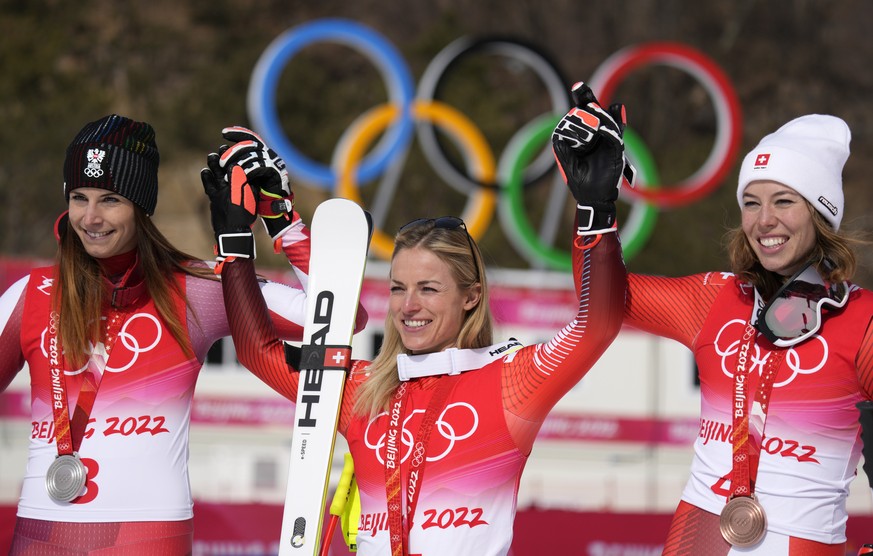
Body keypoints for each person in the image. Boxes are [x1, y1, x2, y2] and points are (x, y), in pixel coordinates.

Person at [214, 82, 632, 556]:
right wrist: (238, 240)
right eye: (398, 288)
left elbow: (595, 325)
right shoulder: (363, 387)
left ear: (471, 297)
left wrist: (596, 209)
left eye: (429, 289)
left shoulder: (512, 380)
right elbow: (257, 351)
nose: (407, 306)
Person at [0, 115, 329, 554]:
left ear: (141, 206)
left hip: (150, 536)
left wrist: (282, 220)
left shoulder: (198, 288)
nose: (91, 217)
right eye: (79, 198)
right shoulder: (34, 294)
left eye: (111, 199)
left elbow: (339, 316)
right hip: (42, 532)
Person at [623, 114, 873, 554]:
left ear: (820, 213)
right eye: (752, 203)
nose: (764, 221)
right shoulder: (717, 298)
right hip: (696, 538)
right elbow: (605, 299)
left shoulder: (863, 319)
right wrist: (594, 212)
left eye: (783, 201)